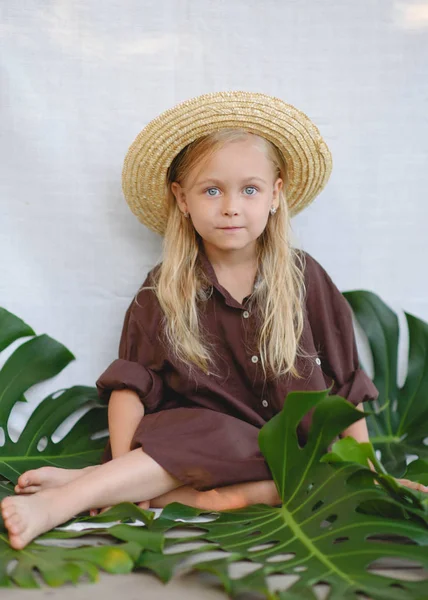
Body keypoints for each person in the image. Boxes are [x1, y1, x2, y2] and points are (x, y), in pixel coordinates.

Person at [2, 91, 426, 551]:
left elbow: (347, 385)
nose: (230, 207)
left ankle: (110, 485)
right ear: (182, 199)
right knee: (215, 432)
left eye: (249, 189)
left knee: (262, 489)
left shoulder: (305, 278)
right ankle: (65, 502)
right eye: (211, 190)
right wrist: (117, 472)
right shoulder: (164, 288)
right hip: (198, 443)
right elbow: (131, 386)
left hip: (290, 460)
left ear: (275, 195)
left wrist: (371, 478)